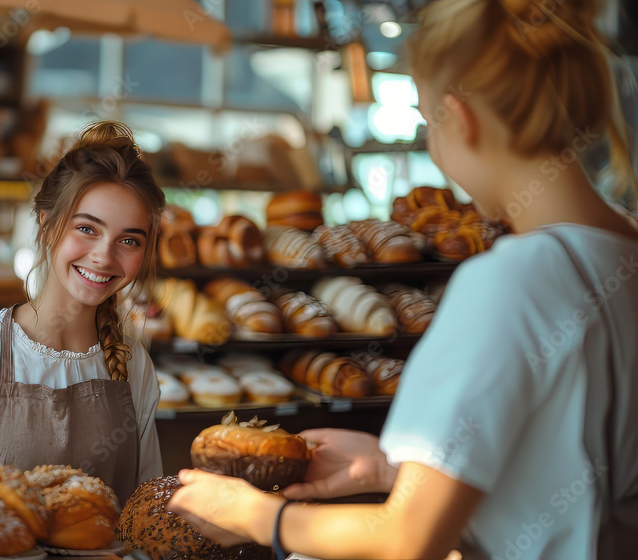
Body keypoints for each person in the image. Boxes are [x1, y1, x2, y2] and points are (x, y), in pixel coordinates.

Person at [167, 0, 638, 558]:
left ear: (458, 117)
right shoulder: (619, 256)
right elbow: (569, 474)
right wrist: (390, 466)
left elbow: (409, 540)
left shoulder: (509, 280)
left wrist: (259, 516)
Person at [0, 121, 166, 502]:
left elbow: (145, 510)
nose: (104, 256)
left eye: (128, 240)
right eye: (88, 229)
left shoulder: (135, 364)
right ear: (46, 225)